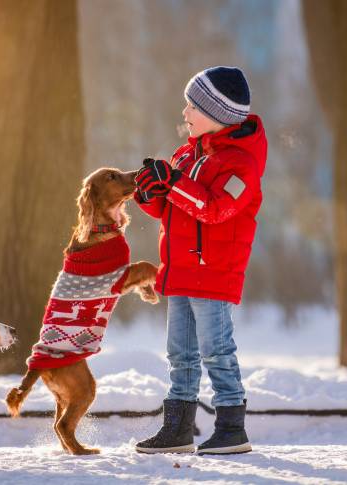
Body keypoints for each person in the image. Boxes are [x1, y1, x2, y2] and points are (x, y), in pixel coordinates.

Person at [132, 66, 267, 455]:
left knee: (216, 350)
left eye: (193, 106)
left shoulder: (241, 164)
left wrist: (173, 182)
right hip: (180, 270)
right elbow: (172, 211)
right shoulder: (188, 153)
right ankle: (178, 426)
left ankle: (231, 426)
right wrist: (151, 191)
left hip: (213, 270)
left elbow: (214, 210)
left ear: (218, 115)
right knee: (180, 354)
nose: (185, 112)